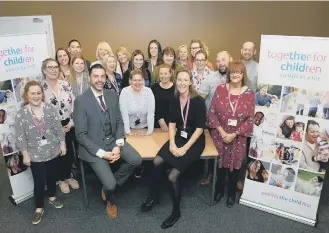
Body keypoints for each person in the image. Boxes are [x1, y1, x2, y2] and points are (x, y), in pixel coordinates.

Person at [73, 64, 142, 218]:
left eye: (102, 76)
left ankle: (107, 186)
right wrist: (102, 153)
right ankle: (110, 198)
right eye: (96, 76)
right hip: (93, 147)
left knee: (136, 160)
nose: (99, 80)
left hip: (113, 141)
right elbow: (81, 135)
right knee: (110, 184)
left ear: (105, 77)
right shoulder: (81, 101)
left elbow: (119, 122)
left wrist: (118, 145)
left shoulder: (112, 95)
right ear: (89, 77)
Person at [140, 70, 206, 229]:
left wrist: (183, 149)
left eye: (185, 80)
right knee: (156, 162)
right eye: (179, 80)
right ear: (176, 81)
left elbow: (199, 129)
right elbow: (172, 124)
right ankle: (153, 196)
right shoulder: (175, 99)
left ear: (190, 82)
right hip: (178, 137)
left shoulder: (197, 101)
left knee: (173, 176)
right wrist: (172, 144)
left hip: (194, 141)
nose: (182, 83)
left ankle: (176, 212)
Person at [15, 80, 66, 225]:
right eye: (33, 93)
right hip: (35, 155)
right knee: (39, 181)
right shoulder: (21, 114)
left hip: (53, 151)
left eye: (39, 93)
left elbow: (58, 128)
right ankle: (39, 207)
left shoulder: (50, 108)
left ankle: (51, 196)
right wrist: (25, 154)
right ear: (27, 95)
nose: (36, 96)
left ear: (42, 94)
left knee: (51, 177)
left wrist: (63, 144)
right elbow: (20, 136)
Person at [207, 60, 255, 208]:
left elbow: (250, 119)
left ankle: (231, 194)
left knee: (234, 167)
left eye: (238, 72)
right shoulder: (221, 89)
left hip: (237, 138)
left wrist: (234, 134)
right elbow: (212, 113)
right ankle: (219, 191)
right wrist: (222, 132)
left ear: (243, 74)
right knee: (220, 166)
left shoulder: (249, 93)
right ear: (229, 74)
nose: (235, 75)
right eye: (232, 72)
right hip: (219, 135)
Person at [41, 58, 79, 194]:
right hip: (51, 126)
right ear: (44, 70)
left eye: (56, 67)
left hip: (68, 123)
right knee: (57, 153)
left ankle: (68, 176)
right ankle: (61, 179)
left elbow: (75, 104)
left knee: (68, 152)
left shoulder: (66, 84)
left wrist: (71, 123)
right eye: (50, 67)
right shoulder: (41, 89)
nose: (53, 69)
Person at [198, 51, 232, 186]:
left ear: (230, 59)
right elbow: (200, 101)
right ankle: (210, 175)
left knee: (230, 152)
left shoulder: (236, 78)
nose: (221, 63)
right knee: (214, 152)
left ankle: (230, 178)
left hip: (232, 124)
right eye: (218, 61)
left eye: (223, 60)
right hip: (214, 124)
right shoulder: (210, 79)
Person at [119, 69, 155, 136]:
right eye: (134, 80)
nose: (137, 83)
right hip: (129, 128)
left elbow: (151, 113)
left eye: (139, 80)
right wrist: (128, 132)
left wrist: (149, 132)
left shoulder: (148, 91)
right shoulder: (124, 92)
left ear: (143, 80)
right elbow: (124, 115)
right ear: (130, 81)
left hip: (145, 127)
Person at [151, 63, 175, 131]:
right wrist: (160, 120)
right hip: (157, 124)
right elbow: (151, 106)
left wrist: (171, 123)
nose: (163, 76)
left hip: (173, 124)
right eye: (161, 73)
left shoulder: (176, 88)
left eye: (165, 73)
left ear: (170, 74)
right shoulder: (154, 88)